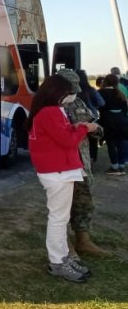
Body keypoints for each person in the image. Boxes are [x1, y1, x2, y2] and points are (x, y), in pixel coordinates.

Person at [25, 74, 97, 282]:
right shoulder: (51, 112)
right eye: (69, 92)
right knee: (58, 219)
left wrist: (76, 128)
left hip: (57, 170)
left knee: (60, 218)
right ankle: (58, 262)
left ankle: (63, 257)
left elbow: (60, 134)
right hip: (58, 171)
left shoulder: (46, 111)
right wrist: (84, 127)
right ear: (58, 92)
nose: (72, 95)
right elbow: (67, 141)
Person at [55, 70, 110, 258]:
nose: (72, 94)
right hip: (60, 166)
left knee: (84, 202)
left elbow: (96, 126)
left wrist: (94, 129)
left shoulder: (78, 103)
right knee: (61, 207)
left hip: (82, 163)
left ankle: (83, 240)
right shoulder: (47, 105)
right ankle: (64, 244)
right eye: (69, 90)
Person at [97, 74, 128, 175]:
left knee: (111, 143)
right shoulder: (120, 93)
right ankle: (121, 165)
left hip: (108, 120)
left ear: (105, 81)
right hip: (121, 119)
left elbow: (100, 107)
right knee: (121, 142)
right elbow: (125, 108)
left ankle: (114, 166)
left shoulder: (101, 92)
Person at [77, 70, 104, 163]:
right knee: (92, 140)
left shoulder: (72, 91)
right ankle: (92, 158)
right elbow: (101, 103)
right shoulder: (91, 90)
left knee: (79, 140)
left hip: (76, 119)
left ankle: (81, 160)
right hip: (91, 118)